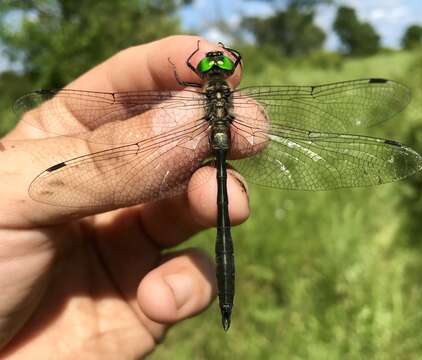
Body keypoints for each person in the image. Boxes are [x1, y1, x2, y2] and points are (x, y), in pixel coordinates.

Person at [0, 35, 250, 359]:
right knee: (219, 189)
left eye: (221, 61)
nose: (215, 64)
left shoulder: (193, 92)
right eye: (210, 61)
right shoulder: (226, 95)